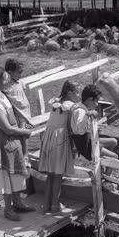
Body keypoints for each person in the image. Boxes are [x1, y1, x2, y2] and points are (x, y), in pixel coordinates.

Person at [0, 65, 35, 222]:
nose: (7, 81)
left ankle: (18, 203)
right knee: (6, 174)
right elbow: (7, 128)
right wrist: (25, 132)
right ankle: (8, 209)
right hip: (2, 140)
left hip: (12, 140)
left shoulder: (0, 94)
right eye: (4, 79)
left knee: (15, 172)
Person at [38, 80, 80, 213]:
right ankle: (55, 205)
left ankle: (46, 205)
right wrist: (74, 147)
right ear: (69, 93)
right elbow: (70, 127)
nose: (79, 95)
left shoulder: (56, 102)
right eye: (77, 92)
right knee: (57, 175)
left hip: (48, 137)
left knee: (50, 174)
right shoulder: (71, 107)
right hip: (60, 139)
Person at [70, 84, 118, 169]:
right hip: (86, 146)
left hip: (89, 140)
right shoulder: (81, 111)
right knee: (115, 157)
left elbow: (84, 127)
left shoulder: (82, 108)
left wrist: (97, 125)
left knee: (113, 142)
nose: (96, 104)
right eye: (96, 101)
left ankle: (102, 162)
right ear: (89, 100)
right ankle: (104, 178)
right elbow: (81, 131)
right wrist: (88, 115)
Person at [3, 58, 32, 163]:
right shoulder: (6, 84)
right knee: (23, 133)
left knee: (24, 131)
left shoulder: (18, 82)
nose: (21, 75)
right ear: (10, 72)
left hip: (25, 110)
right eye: (19, 72)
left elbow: (23, 91)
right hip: (18, 111)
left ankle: (24, 154)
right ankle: (25, 154)